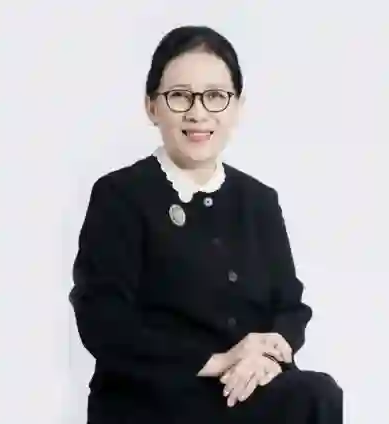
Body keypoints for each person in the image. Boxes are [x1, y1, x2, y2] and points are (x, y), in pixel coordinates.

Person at [69, 25, 343, 423]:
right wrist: (218, 361)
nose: (198, 113)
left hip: (240, 392)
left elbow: (289, 306)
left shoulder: (259, 201)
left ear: (237, 106)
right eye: (180, 96)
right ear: (151, 106)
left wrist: (267, 357)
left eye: (215, 96)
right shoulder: (120, 195)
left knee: (316, 394)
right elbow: (102, 320)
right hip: (153, 397)